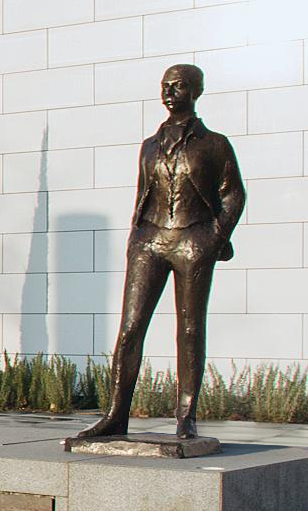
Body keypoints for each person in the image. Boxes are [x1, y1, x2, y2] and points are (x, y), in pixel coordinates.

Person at [73, 63, 246, 444]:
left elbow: (233, 193)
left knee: (188, 329)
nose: (170, 93)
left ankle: (186, 417)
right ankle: (116, 416)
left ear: (196, 91)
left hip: (191, 239)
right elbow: (143, 194)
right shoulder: (149, 145)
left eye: (179, 86)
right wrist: (136, 236)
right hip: (149, 241)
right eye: (166, 86)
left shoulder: (214, 144)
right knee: (130, 329)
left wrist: (215, 235)